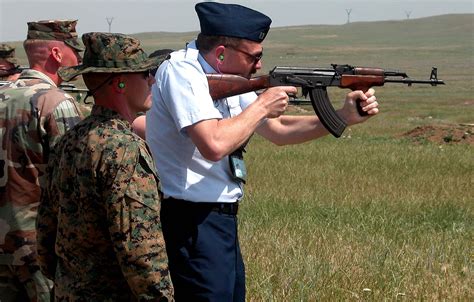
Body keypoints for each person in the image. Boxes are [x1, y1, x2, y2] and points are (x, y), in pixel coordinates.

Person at [146, 2, 379, 301]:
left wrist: (342, 117)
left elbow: (278, 131)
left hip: (220, 221)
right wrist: (261, 106)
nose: (258, 66)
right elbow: (213, 144)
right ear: (220, 53)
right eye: (254, 57)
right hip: (192, 221)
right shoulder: (182, 71)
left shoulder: (225, 77)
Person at [36, 32, 174, 301]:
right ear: (120, 83)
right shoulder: (125, 149)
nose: (152, 79)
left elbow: (45, 230)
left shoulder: (70, 140)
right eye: (144, 73)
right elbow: (141, 250)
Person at [0, 20, 84, 302]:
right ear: (57, 55)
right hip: (40, 246)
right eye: (75, 50)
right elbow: (74, 183)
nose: (80, 58)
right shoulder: (56, 103)